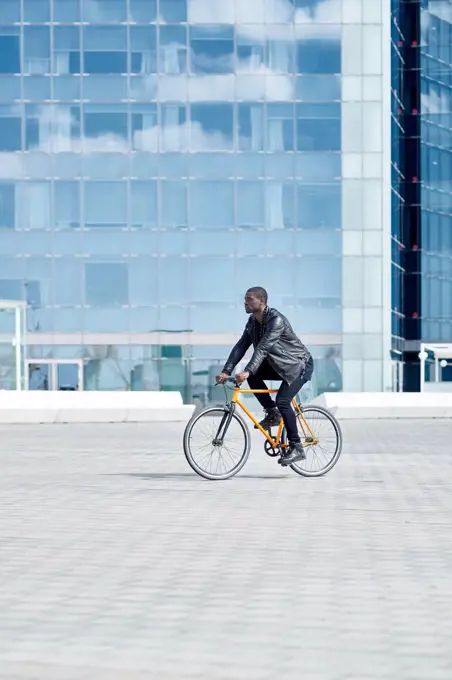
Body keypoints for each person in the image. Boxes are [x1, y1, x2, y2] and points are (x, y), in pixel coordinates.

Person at [218, 287, 314, 466]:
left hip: (298, 365)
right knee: (253, 377)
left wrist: (247, 369)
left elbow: (263, 347)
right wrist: (226, 370)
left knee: (283, 400)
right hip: (280, 366)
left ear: (262, 301)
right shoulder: (252, 321)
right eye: (245, 299)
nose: (245, 303)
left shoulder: (276, 320)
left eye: (249, 299)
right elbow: (241, 345)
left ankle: (297, 447)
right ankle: (272, 413)